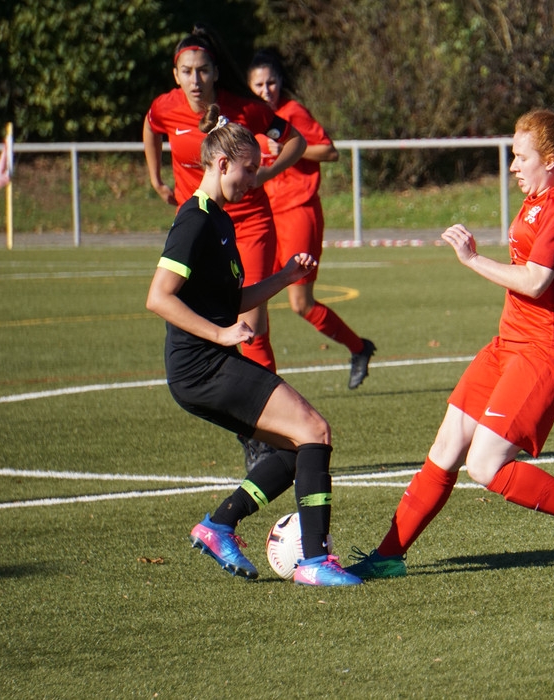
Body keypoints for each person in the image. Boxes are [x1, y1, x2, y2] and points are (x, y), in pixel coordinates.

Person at [345, 110, 554, 580]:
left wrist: (472, 259)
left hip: (546, 347)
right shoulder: (541, 196)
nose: (513, 166)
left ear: (552, 160)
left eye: (521, 157)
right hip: (510, 340)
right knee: (447, 445)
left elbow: (536, 281)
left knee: (485, 465)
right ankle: (388, 556)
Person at [145, 106, 361, 587]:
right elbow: (158, 297)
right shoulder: (195, 219)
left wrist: (285, 277)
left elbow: (230, 301)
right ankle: (314, 561)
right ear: (222, 163)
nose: (254, 179)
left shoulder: (220, 220)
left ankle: (219, 525)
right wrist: (221, 334)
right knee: (314, 431)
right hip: (201, 366)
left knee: (295, 447)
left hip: (209, 365)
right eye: (248, 169)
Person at [143, 24, 307, 469]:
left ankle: (267, 432)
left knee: (250, 325)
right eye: (186, 71)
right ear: (175, 75)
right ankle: (259, 429)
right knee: (205, 316)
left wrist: (263, 175)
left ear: (216, 72)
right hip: (199, 224)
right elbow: (151, 127)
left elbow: (295, 140)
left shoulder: (244, 108)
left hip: (247, 224)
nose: (195, 80)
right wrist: (155, 178)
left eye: (203, 70)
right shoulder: (164, 107)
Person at [247, 49, 375, 390]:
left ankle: (359, 348)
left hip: (298, 210)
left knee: (300, 303)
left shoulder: (292, 112)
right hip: (265, 215)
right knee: (252, 299)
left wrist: (290, 149)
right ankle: (258, 380)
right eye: (258, 84)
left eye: (271, 82)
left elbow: (329, 151)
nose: (266, 90)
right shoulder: (252, 116)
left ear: (280, 82)